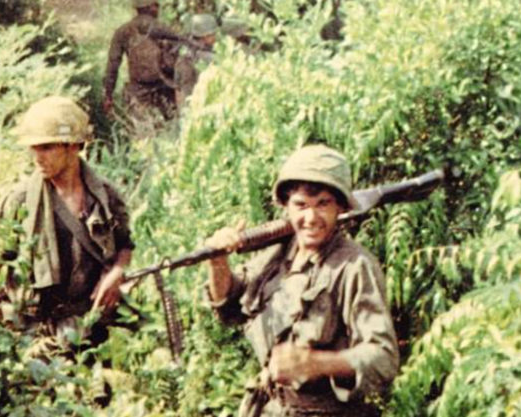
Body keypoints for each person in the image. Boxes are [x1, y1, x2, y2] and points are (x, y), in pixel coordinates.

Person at [204, 145, 399, 416]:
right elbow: (230, 308)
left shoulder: (354, 265)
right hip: (272, 408)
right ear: (286, 206)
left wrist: (317, 363)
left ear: (340, 207)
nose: (310, 218)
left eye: (323, 204)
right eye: (300, 205)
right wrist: (218, 262)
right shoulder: (279, 253)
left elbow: (384, 358)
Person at [0, 96, 135, 349]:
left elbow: (125, 244)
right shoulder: (19, 202)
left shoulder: (105, 196)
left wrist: (117, 273)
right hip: (34, 332)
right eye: (34, 148)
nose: (37, 157)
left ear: (73, 146)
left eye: (47, 147)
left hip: (93, 324)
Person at [102, 0, 180, 120]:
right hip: (165, 86)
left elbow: (113, 65)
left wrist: (108, 95)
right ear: (151, 8)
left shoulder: (122, 32)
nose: (158, 8)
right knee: (170, 126)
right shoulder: (164, 29)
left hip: (139, 91)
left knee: (143, 131)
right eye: (156, 5)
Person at [174, 13, 217, 107]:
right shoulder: (204, 57)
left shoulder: (183, 52)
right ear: (205, 36)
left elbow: (177, 87)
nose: (215, 37)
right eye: (212, 34)